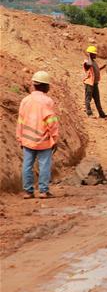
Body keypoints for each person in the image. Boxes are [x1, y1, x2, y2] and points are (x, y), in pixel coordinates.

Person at [17, 71, 60, 199]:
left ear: (34, 85)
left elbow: (20, 121)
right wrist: (55, 138)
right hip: (44, 140)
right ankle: (43, 191)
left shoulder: (25, 100)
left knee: (27, 165)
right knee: (44, 166)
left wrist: (20, 138)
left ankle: (28, 192)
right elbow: (51, 122)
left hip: (27, 140)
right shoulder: (47, 101)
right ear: (45, 86)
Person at [82, 45, 107, 118]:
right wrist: (89, 55)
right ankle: (89, 114)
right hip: (89, 83)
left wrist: (102, 67)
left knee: (97, 99)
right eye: (94, 54)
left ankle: (101, 114)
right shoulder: (87, 62)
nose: (95, 55)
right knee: (88, 99)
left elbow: (96, 70)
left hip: (95, 83)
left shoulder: (94, 62)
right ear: (90, 54)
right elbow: (88, 66)